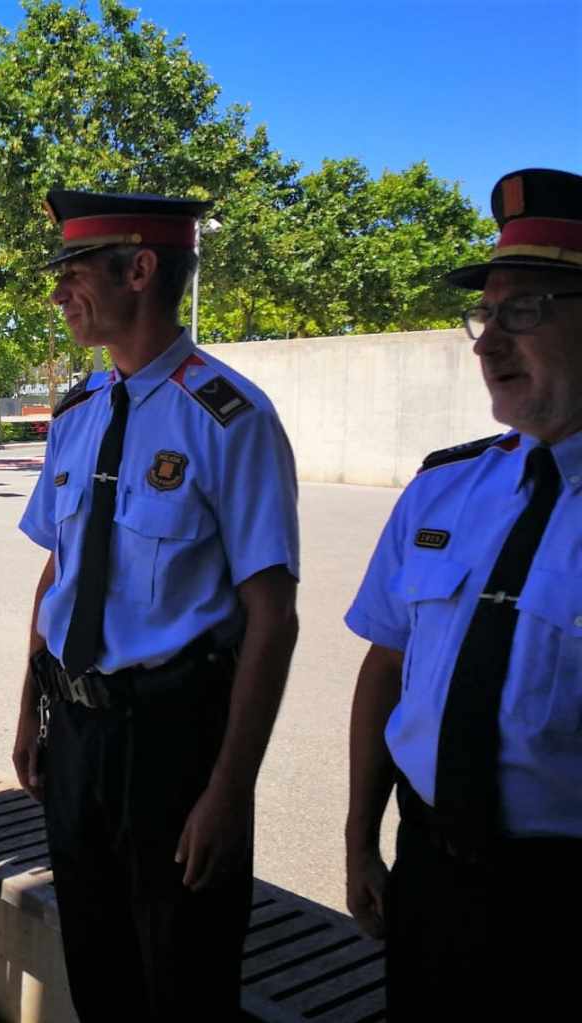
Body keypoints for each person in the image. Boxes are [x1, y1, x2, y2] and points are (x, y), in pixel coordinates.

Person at [11, 189, 300, 1020]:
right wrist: (31, 707)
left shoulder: (230, 418)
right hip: (76, 733)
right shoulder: (76, 416)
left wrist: (229, 790)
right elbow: (59, 573)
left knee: (186, 971)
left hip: (174, 740)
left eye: (73, 273)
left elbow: (272, 617)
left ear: (140, 270)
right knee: (94, 960)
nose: (59, 292)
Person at [344, 167, 582, 1019]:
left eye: (525, 311)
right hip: (431, 877)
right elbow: (387, 666)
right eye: (486, 314)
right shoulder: (445, 491)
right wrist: (359, 837)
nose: (485, 343)